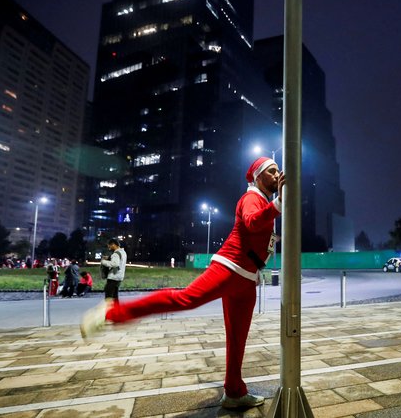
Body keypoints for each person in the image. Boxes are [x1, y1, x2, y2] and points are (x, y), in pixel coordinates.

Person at [80, 157, 285, 410]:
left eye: (278, 171)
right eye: (272, 171)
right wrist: (278, 204)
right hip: (230, 268)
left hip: (247, 277)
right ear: (257, 177)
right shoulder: (251, 198)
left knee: (237, 337)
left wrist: (277, 203)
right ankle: (114, 312)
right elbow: (253, 222)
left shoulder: (265, 200)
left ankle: (234, 391)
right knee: (185, 298)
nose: (277, 175)